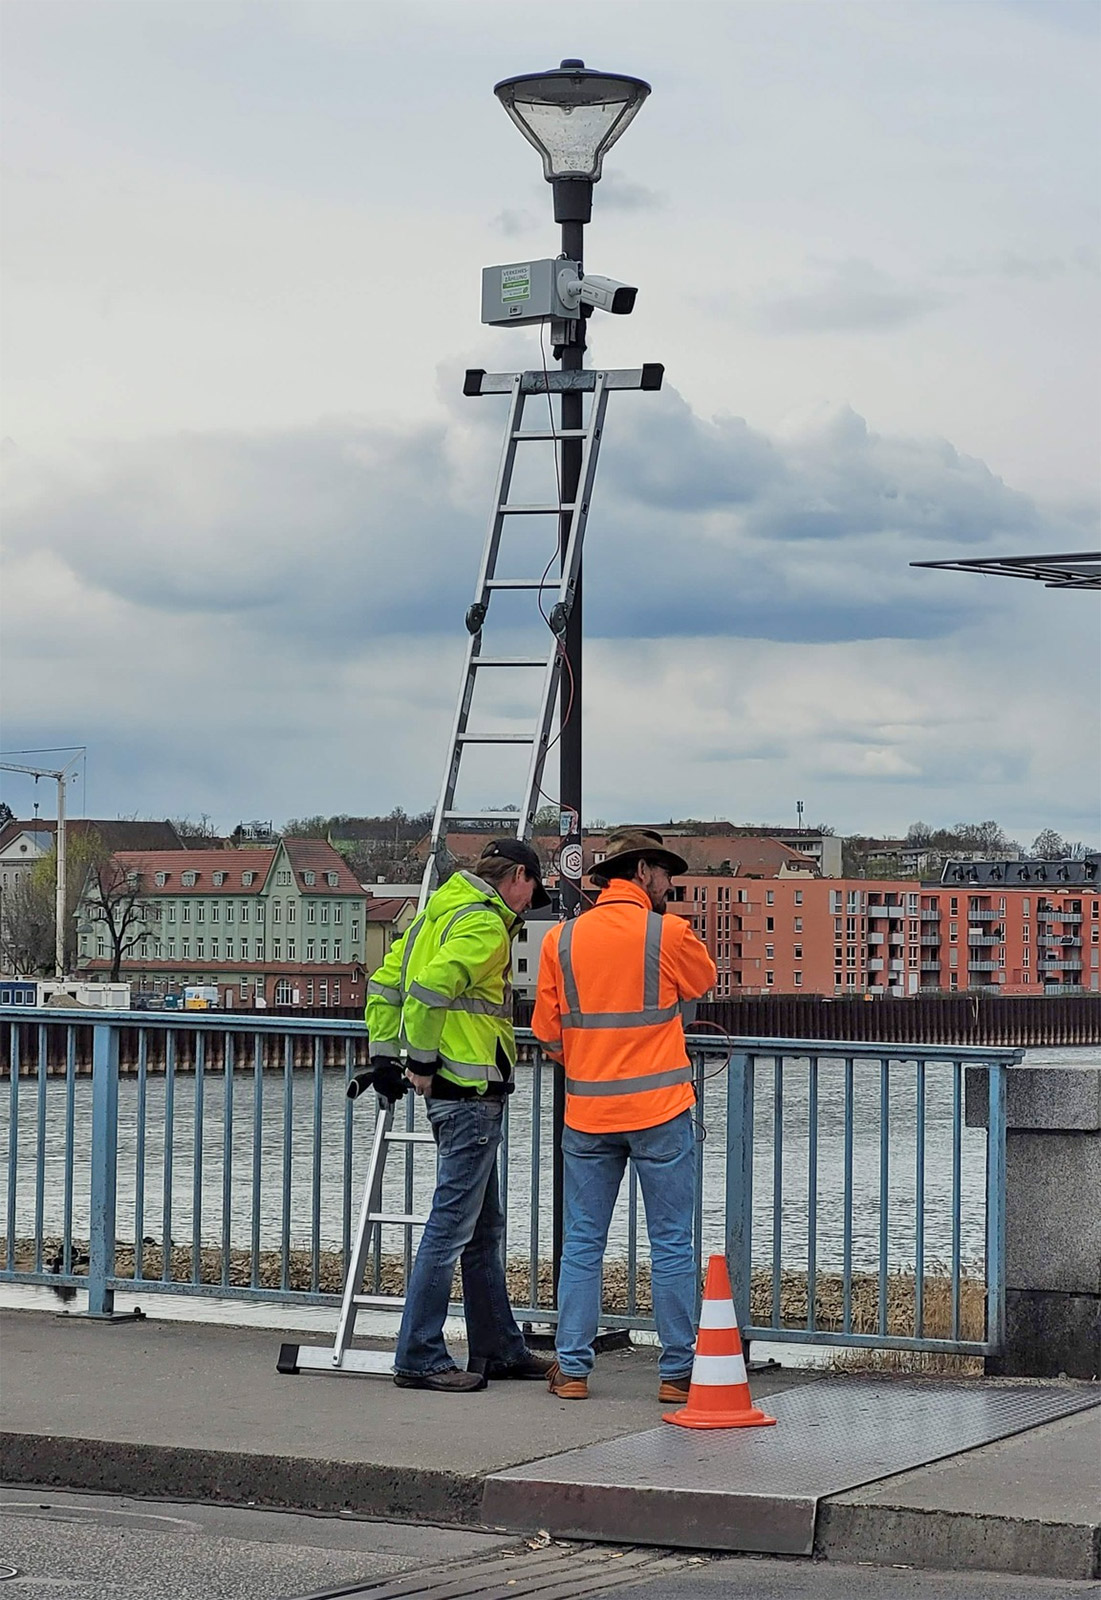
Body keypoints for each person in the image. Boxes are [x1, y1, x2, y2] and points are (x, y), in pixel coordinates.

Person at [533, 828, 717, 1401]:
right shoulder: (668, 933)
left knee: (583, 1241)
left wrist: (591, 1060)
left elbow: (548, 1033)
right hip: (660, 1111)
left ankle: (572, 1369)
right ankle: (677, 1373)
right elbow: (703, 980)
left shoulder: (561, 940)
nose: (670, 885)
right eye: (665, 874)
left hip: (588, 1113)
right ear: (641, 873)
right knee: (671, 1242)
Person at [364, 838, 554, 1393]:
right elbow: (429, 992)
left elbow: (385, 986)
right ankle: (419, 1355)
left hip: (455, 1094)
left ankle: (497, 1348)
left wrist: (386, 1057)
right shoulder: (485, 925)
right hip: (469, 1092)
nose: (530, 904)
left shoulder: (434, 915)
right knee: (450, 1228)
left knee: (482, 1226)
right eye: (532, 891)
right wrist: (421, 1062)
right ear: (517, 877)